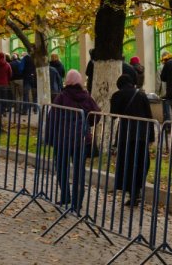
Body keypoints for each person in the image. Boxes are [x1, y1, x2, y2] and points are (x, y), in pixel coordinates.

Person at [45, 69, 101, 212]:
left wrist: (50, 139)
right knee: (78, 172)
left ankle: (65, 196)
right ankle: (77, 203)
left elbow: (52, 118)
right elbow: (97, 114)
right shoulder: (86, 97)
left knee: (62, 168)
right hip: (80, 141)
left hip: (62, 140)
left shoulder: (61, 97)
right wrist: (87, 122)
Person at [110, 73, 154, 206]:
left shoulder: (117, 95)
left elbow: (113, 115)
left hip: (126, 135)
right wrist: (151, 136)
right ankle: (137, 190)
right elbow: (149, 116)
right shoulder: (141, 94)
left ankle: (132, 193)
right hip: (142, 135)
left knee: (127, 163)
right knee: (141, 162)